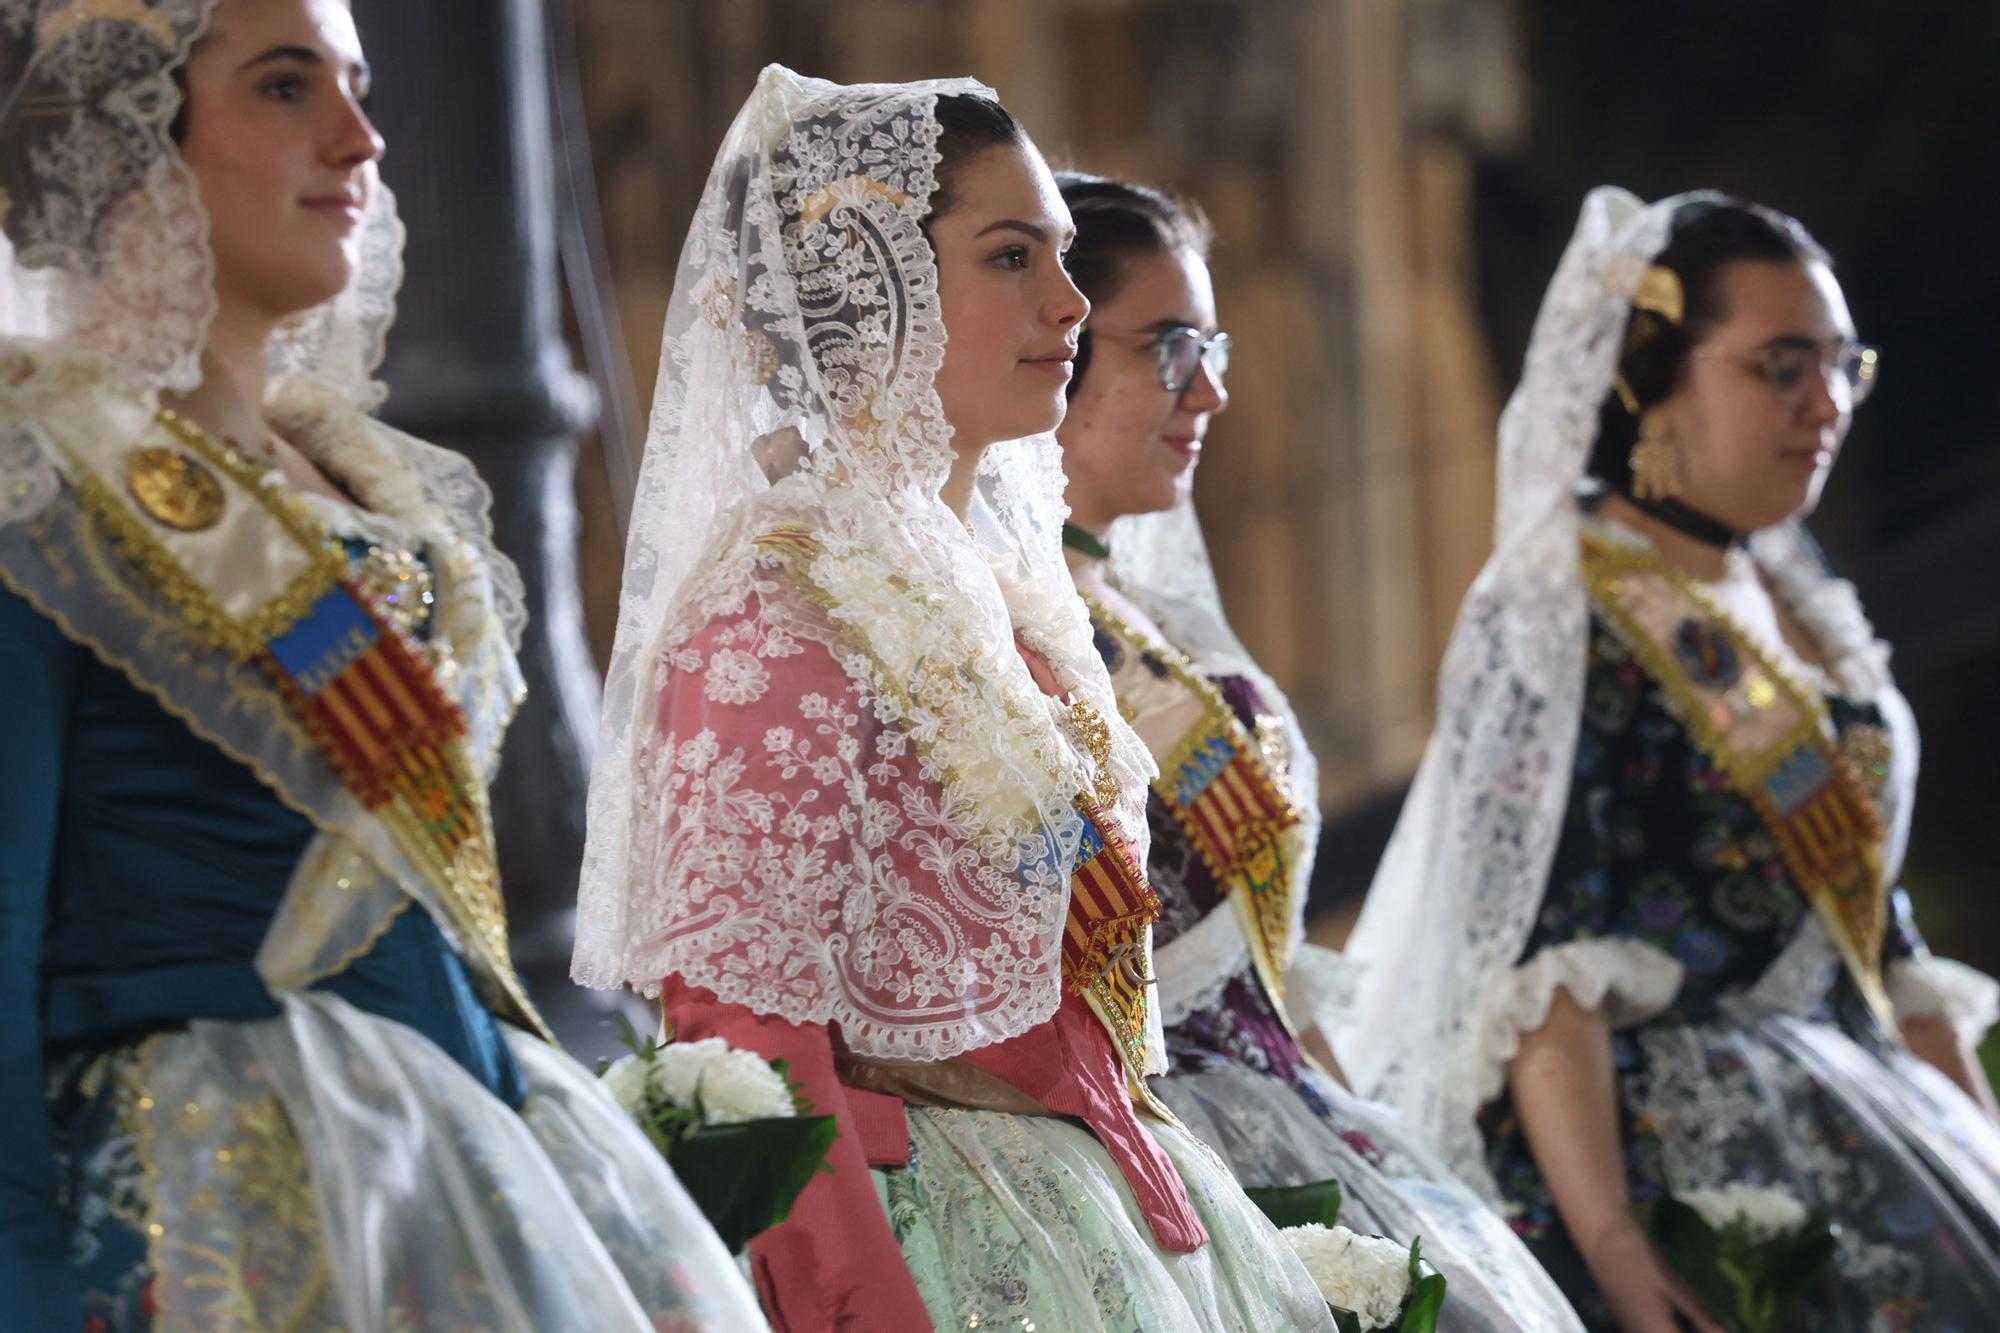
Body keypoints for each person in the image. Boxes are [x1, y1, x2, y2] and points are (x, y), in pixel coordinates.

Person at [0, 2, 764, 1328]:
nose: (361, 137)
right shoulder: (38, 476)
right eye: (288, 88)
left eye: (356, 87)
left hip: (465, 1138)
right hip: (209, 1192)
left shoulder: (367, 486)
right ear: (128, 145)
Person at [572, 66, 1334, 1333]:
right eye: (1010, 257)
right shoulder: (774, 606)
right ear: (870, 288)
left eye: (1065, 256)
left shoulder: (1007, 602)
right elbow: (748, 1055)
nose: (1070, 304)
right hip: (949, 1229)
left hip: (1121, 1208)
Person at [1336, 186, 2000, 1332]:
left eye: (1843, 364)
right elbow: (1542, 960)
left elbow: (1872, 930)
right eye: (1778, 367)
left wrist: (1976, 1142)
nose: (1826, 403)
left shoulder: (1793, 590)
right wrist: (1610, 1240)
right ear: (1651, 378)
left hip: (1867, 1116)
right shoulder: (1563, 605)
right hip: (1661, 1165)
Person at [1054, 169, 1584, 1332]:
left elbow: (1258, 957)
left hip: (1283, 1110)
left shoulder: (1152, 618)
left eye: (1213, 345)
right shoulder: (994, 622)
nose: (1213, 392)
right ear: (1055, 340)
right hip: (1149, 1154)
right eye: (1171, 347)